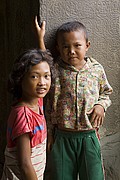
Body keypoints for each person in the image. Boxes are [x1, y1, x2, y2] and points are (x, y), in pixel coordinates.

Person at [35, 18, 113, 180]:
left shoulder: (96, 69)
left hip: (89, 136)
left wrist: (101, 105)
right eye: (65, 47)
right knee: (61, 176)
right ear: (58, 48)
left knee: (93, 176)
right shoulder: (55, 69)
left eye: (77, 45)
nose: (71, 51)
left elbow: (106, 93)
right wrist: (40, 38)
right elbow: (44, 62)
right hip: (62, 137)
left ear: (87, 46)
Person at [1, 49, 55, 180]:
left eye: (46, 76)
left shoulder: (37, 101)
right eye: (34, 76)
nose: (42, 82)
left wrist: (40, 39)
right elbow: (25, 165)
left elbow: (44, 63)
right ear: (20, 79)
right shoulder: (23, 115)